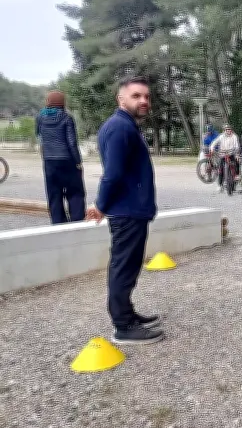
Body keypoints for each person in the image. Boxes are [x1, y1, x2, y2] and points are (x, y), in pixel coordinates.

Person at [85, 76, 163, 345]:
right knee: (123, 268)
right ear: (121, 99)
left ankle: (128, 314)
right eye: (136, 96)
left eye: (146, 96)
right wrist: (101, 205)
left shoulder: (126, 125)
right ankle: (123, 326)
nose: (143, 101)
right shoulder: (120, 128)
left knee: (128, 266)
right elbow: (113, 174)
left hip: (132, 210)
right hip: (127, 212)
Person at [35, 90, 86, 224]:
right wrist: (78, 162)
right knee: (75, 193)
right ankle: (77, 223)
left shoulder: (40, 117)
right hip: (67, 161)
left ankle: (58, 225)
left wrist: (45, 158)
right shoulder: (67, 117)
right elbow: (72, 143)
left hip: (49, 162)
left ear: (48, 102)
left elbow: (40, 139)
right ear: (62, 103)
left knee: (54, 195)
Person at [209, 124, 241, 192]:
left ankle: (237, 176)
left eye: (229, 129)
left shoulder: (234, 136)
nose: (228, 131)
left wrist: (237, 153)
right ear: (224, 130)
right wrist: (212, 149)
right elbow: (214, 143)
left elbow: (237, 146)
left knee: (237, 160)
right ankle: (220, 185)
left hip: (231, 153)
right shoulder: (221, 136)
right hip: (222, 154)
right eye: (227, 130)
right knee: (221, 170)